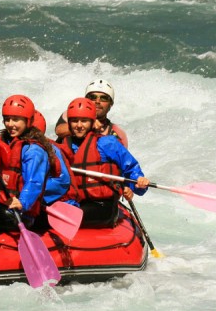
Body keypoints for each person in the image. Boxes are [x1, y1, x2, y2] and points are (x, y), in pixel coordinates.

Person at [57, 97, 149, 227]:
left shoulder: (107, 143)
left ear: (92, 122)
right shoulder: (64, 145)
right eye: (74, 121)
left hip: (103, 207)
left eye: (84, 121)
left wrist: (139, 182)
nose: (79, 125)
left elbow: (130, 168)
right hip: (75, 203)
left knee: (64, 217)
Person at [0, 95, 59, 229]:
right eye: (7, 119)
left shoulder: (33, 151)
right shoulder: (5, 141)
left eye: (16, 120)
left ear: (28, 121)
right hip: (1, 204)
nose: (10, 124)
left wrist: (23, 202)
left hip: (21, 214)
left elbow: (35, 181)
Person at [54, 78, 128, 146]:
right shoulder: (72, 112)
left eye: (104, 98)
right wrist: (88, 125)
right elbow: (59, 131)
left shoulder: (117, 132)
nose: (97, 101)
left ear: (111, 104)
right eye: (92, 97)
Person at [34, 110, 81, 207]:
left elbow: (62, 182)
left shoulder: (52, 151)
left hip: (60, 201)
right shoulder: (14, 147)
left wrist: (31, 190)